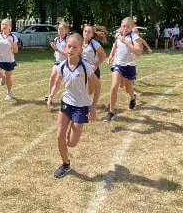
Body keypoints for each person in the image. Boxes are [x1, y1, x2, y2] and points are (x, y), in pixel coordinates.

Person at [53, 34, 94, 178]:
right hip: (66, 103)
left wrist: (93, 106)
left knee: (71, 143)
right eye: (69, 46)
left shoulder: (85, 66)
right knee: (59, 136)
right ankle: (65, 164)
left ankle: (73, 132)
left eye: (74, 47)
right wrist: (51, 95)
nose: (70, 49)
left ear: (80, 50)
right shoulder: (62, 65)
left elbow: (97, 85)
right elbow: (58, 82)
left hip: (80, 107)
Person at [102, 18, 144, 122]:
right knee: (114, 86)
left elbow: (138, 53)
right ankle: (111, 112)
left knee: (127, 89)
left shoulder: (135, 37)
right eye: (123, 26)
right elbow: (115, 44)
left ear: (132, 27)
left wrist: (127, 43)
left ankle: (132, 97)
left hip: (130, 66)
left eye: (127, 26)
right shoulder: (118, 35)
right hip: (118, 64)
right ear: (121, 25)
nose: (125, 28)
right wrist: (111, 55)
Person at [0, 18, 19, 101]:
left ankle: (9, 93)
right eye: (2, 24)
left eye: (6, 24)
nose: (4, 26)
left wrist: (12, 43)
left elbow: (16, 50)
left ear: (10, 26)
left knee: (9, 78)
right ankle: (3, 77)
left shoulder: (13, 37)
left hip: (9, 60)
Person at [45, 21, 72, 106]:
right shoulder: (57, 39)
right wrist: (55, 52)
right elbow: (56, 52)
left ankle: (70, 98)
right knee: (52, 77)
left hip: (66, 63)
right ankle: (50, 95)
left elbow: (68, 54)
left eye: (61, 29)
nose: (59, 31)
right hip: (57, 62)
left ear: (66, 30)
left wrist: (56, 49)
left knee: (61, 82)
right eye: (59, 29)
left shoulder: (68, 40)